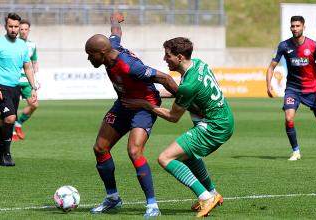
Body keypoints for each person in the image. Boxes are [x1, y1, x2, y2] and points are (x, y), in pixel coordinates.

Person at [122, 37, 234, 218]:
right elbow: (180, 93)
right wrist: (151, 93)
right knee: (188, 156)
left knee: (165, 158)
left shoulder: (189, 84)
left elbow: (173, 117)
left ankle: (206, 197)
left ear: (180, 57)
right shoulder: (198, 64)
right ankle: (212, 193)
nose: (165, 59)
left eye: (168, 56)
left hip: (214, 127)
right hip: (222, 119)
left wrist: (145, 104)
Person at [85, 12, 178, 218]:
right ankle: (113, 198)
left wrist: (184, 99)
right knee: (100, 148)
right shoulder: (111, 46)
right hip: (124, 103)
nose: (88, 58)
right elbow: (115, 32)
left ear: (101, 53)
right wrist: (115, 18)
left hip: (145, 106)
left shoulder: (130, 67)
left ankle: (152, 205)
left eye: (90, 54)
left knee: (134, 151)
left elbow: (164, 78)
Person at [266, 15, 316, 161]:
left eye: (298, 26)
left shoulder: (314, 46)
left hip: (313, 89)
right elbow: (271, 67)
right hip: (293, 89)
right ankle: (295, 151)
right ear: (290, 27)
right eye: (293, 26)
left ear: (303, 27)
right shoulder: (284, 46)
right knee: (289, 118)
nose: (295, 28)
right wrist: (268, 86)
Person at [0, 13, 37, 166]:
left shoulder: (22, 45)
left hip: (15, 89)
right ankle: (6, 154)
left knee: (4, 122)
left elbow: (27, 67)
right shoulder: (0, 42)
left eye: (16, 27)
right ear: (5, 26)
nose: (14, 29)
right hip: (1, 87)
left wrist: (34, 87)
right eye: (11, 26)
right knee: (10, 118)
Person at [12, 19, 39, 141]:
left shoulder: (32, 45)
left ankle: (18, 124)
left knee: (34, 105)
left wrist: (36, 79)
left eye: (25, 29)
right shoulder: (12, 44)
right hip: (14, 81)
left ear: (29, 30)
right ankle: (12, 132)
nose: (23, 31)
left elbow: (34, 62)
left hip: (27, 81)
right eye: (21, 29)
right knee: (12, 107)